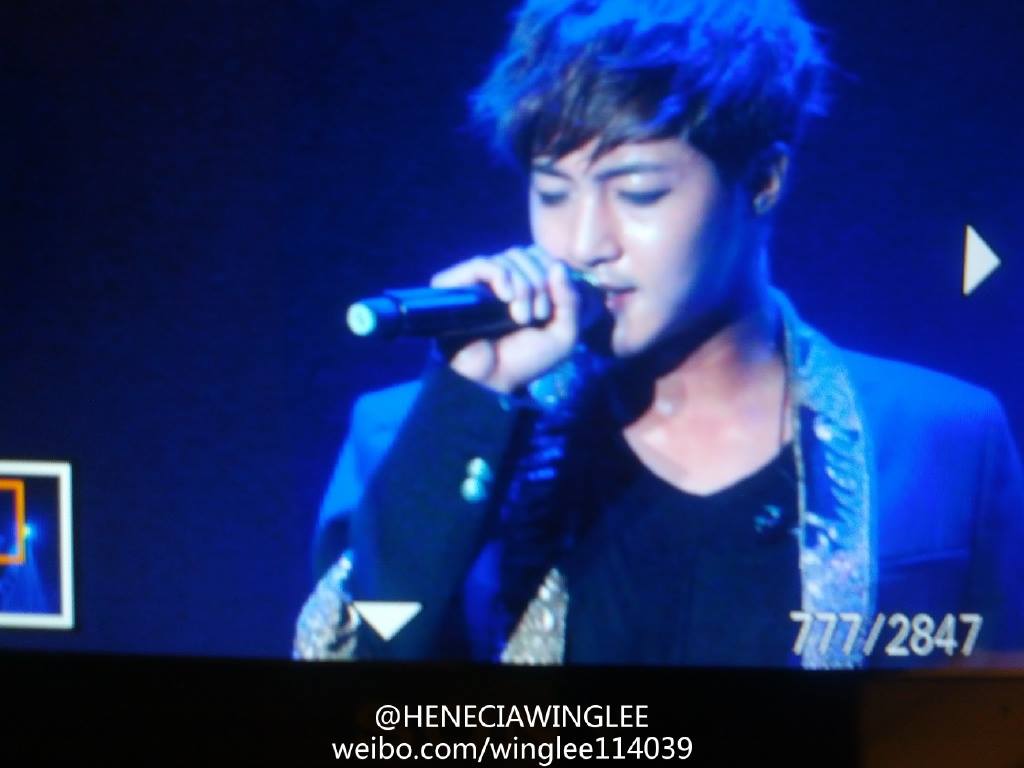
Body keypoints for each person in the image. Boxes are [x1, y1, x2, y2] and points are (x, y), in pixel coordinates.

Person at [294, 0, 1024, 669]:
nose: (585, 242)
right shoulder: (414, 435)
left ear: (764, 180)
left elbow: (992, 719)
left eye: (639, 192)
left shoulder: (946, 437)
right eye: (552, 193)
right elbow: (354, 704)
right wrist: (463, 411)